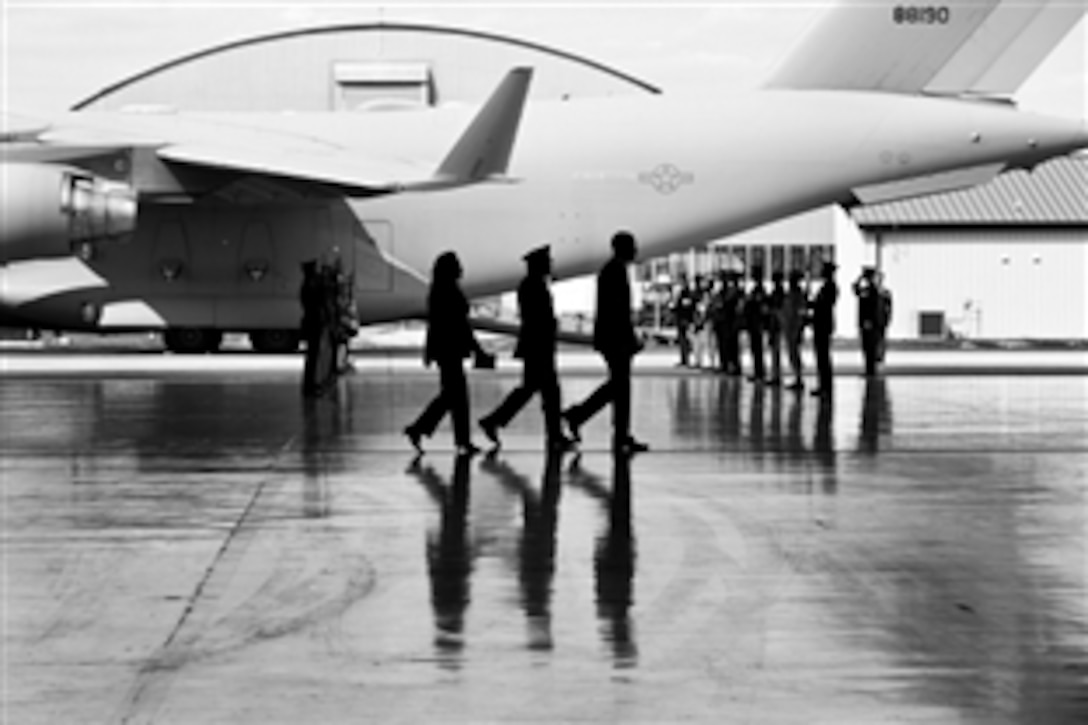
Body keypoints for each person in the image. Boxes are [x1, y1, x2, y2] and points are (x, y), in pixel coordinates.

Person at [478, 245, 574, 452]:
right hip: (539, 347)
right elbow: (538, 319)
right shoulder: (534, 286)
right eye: (547, 262)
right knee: (549, 393)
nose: (551, 265)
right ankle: (554, 436)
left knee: (531, 390)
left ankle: (495, 420)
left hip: (536, 346)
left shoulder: (531, 285)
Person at [562, 231, 649, 455]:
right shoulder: (615, 271)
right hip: (616, 340)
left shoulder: (611, 270)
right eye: (632, 246)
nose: (636, 250)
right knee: (621, 387)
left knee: (617, 387)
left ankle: (584, 417)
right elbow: (618, 311)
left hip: (611, 338)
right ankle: (614, 433)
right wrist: (630, 339)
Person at [404, 251, 493, 455]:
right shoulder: (450, 291)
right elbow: (461, 325)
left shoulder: (439, 290)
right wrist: (477, 349)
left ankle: (429, 431)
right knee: (455, 396)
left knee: (452, 396)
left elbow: (436, 324)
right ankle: (425, 430)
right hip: (451, 350)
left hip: (445, 350)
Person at [299, 259, 338, 398]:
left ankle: (311, 385)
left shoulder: (307, 285)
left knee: (313, 356)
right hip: (314, 323)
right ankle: (311, 386)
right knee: (313, 356)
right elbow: (321, 298)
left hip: (312, 323)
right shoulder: (311, 286)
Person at [810, 260, 838, 397]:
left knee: (823, 357)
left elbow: (823, 306)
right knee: (821, 356)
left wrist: (813, 305)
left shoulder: (830, 287)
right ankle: (823, 385)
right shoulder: (825, 287)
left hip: (823, 325)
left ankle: (826, 387)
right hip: (820, 324)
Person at [781, 269, 809, 391]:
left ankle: (799, 378)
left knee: (795, 353)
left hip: (794, 328)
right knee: (792, 353)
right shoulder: (791, 293)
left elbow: (800, 313)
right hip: (789, 327)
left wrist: (799, 328)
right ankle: (796, 377)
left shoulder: (798, 295)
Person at [853, 266, 883, 377]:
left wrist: (870, 321)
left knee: (870, 348)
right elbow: (855, 289)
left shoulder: (873, 290)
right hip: (866, 323)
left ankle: (871, 371)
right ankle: (869, 370)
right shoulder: (868, 289)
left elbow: (873, 308)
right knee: (866, 348)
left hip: (870, 324)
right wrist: (860, 278)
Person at [744, 266, 768, 384]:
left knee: (757, 349)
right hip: (753, 323)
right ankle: (757, 371)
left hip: (756, 323)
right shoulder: (756, 289)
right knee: (755, 349)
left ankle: (760, 372)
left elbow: (760, 306)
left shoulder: (760, 290)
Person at [765, 270, 786, 386]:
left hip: (776, 324)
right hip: (774, 324)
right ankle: (775, 374)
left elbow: (778, 308)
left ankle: (776, 376)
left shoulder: (779, 292)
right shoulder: (776, 292)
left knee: (776, 351)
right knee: (774, 351)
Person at [671, 277, 696, 367]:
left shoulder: (687, 293)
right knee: (681, 339)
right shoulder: (680, 293)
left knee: (685, 339)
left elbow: (686, 306)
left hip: (684, 318)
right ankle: (684, 358)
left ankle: (686, 358)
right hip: (680, 317)